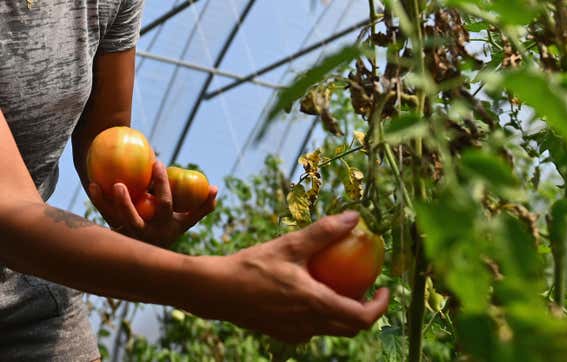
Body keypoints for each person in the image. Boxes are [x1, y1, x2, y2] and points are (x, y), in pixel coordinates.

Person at [0, 1, 389, 360]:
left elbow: (109, 135)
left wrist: (138, 207)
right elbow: (8, 213)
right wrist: (215, 286)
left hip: (30, 287)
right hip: (24, 243)